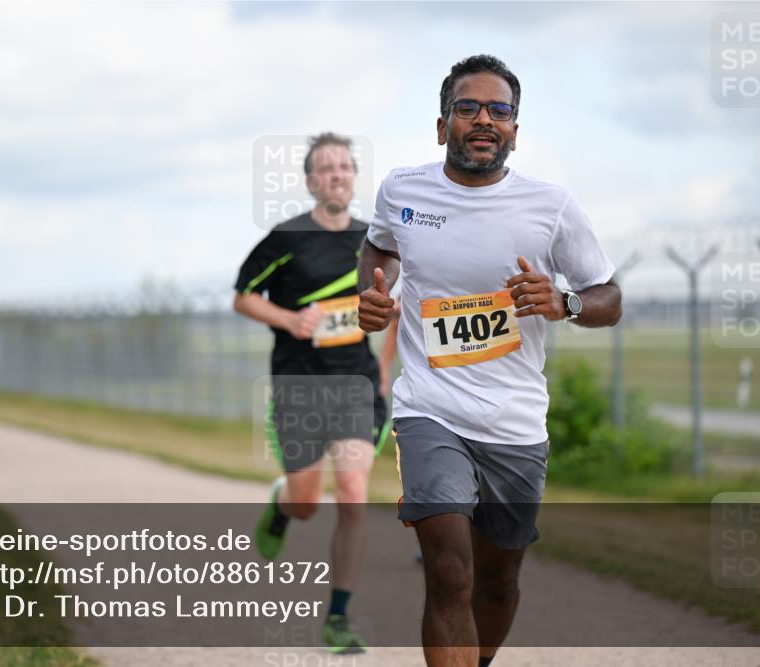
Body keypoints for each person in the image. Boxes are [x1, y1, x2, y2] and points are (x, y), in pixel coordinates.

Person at [357, 55, 622, 667]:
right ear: (443, 122)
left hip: (515, 421)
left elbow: (609, 298)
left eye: (499, 110)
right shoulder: (403, 189)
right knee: (449, 573)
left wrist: (566, 301)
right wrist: (375, 290)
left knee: (497, 582)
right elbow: (378, 244)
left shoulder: (550, 206)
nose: (483, 119)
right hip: (430, 409)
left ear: (514, 130)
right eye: (468, 107)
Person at [234, 133, 395, 655]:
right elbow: (243, 297)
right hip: (300, 388)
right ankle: (284, 506)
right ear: (309, 181)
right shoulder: (286, 237)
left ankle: (339, 616)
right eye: (325, 168)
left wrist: (386, 369)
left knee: (351, 492)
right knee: (308, 504)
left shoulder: (374, 240)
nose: (337, 175)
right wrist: (288, 318)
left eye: (345, 166)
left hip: (356, 385)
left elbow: (396, 307)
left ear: (353, 176)